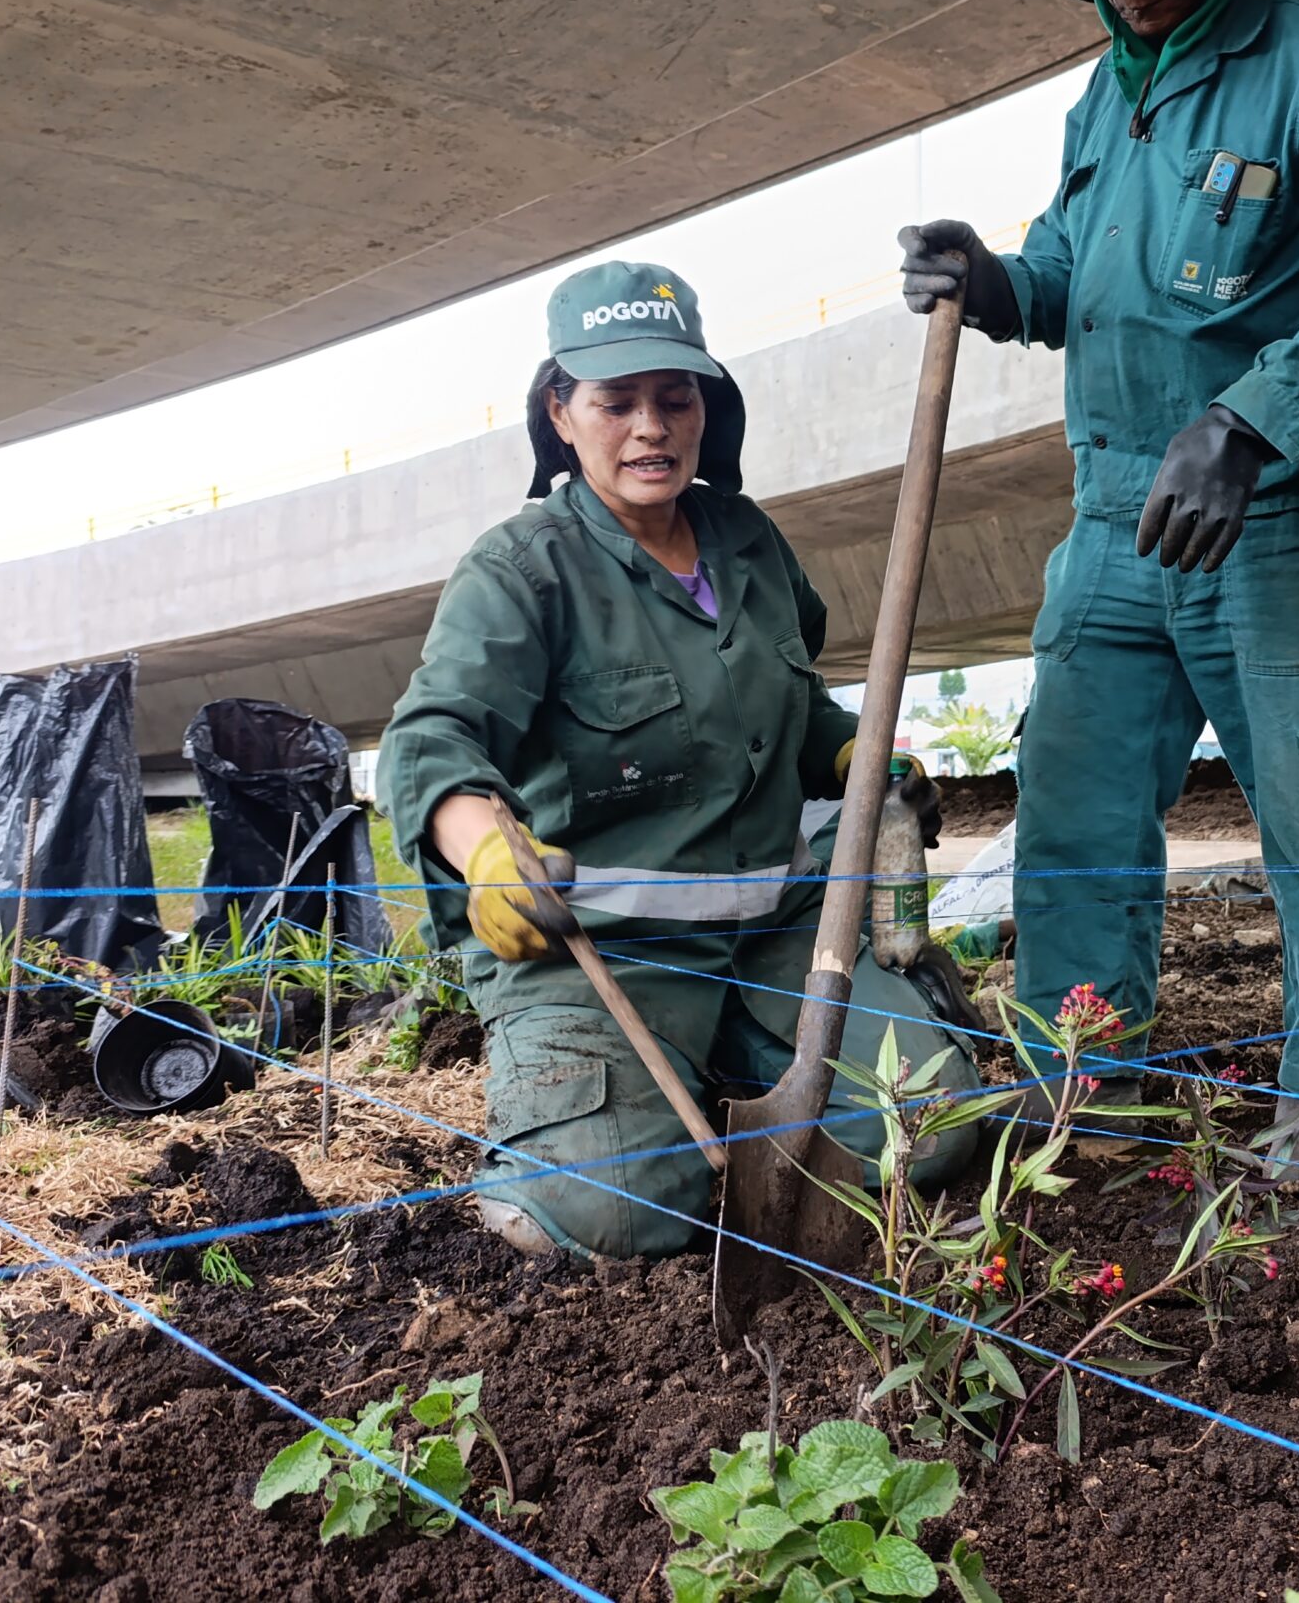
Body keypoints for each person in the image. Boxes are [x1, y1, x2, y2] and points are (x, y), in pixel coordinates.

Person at [896, 0, 1299, 1180]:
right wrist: (992, 276)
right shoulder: (1104, 97)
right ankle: (1084, 1089)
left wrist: (1255, 420)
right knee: (1074, 814)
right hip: (1109, 524)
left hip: (1267, 515)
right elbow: (1072, 273)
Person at [379, 260, 978, 1257]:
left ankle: (731, 1065)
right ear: (561, 412)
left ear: (706, 408)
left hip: (782, 928)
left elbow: (796, 708)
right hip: (612, 948)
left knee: (931, 1127)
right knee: (613, 1211)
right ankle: (579, 1137)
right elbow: (432, 738)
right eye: (617, 402)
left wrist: (856, 759)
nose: (649, 426)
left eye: (673, 397)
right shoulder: (522, 570)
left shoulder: (748, 542)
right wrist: (488, 855)